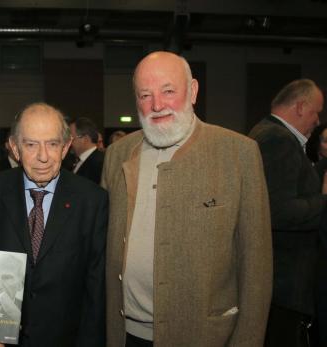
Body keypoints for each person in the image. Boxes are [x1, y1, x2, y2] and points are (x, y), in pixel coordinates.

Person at [103, 51, 272, 347]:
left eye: (168, 91)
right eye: (145, 95)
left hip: (206, 337)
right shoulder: (118, 154)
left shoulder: (238, 154)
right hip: (126, 335)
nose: (156, 105)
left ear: (193, 91)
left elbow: (256, 268)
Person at [0, 102, 107, 347]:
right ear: (14, 149)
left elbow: (96, 291)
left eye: (52, 144)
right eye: (31, 145)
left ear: (65, 148)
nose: (43, 156)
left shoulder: (92, 200)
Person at [248, 79, 325, 347]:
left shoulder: (267, 133)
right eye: (316, 112)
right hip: (283, 284)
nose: (318, 120)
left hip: (279, 283)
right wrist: (324, 200)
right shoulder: (277, 139)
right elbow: (278, 211)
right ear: (301, 107)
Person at [69, 117, 105, 184]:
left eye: (71, 138)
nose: (68, 142)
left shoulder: (99, 163)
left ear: (85, 139)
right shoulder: (76, 160)